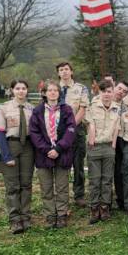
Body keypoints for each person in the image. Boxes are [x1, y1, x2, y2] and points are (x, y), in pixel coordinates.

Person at [29, 80, 76, 229]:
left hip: (62, 153)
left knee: (62, 187)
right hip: (43, 154)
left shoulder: (67, 110)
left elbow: (71, 129)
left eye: (56, 90)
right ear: (44, 93)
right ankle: (50, 215)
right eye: (50, 90)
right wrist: (46, 149)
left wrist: (59, 148)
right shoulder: (37, 111)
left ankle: (62, 214)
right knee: (46, 187)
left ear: (59, 93)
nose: (53, 92)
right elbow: (34, 132)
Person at [0, 80, 34, 234]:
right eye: (18, 88)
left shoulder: (32, 109)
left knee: (26, 184)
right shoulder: (3, 108)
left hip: (28, 148)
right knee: (12, 186)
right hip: (11, 146)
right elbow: (0, 133)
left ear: (27, 90)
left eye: (23, 88)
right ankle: (15, 220)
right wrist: (6, 155)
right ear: (12, 90)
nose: (21, 91)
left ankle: (26, 217)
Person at [86, 80, 120, 224]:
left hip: (109, 147)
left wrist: (113, 144)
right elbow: (90, 124)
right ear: (99, 92)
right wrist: (91, 141)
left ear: (113, 93)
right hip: (95, 146)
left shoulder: (117, 108)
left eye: (109, 91)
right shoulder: (92, 107)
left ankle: (105, 206)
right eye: (104, 91)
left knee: (107, 179)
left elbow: (117, 128)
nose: (106, 94)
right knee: (95, 180)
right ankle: (94, 208)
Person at [57, 61, 89, 208]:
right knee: (61, 165)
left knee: (78, 164)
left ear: (71, 71)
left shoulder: (81, 88)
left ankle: (79, 195)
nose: (64, 72)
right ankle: (61, 195)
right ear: (58, 73)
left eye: (66, 69)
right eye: (61, 70)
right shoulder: (53, 88)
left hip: (77, 130)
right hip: (57, 132)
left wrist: (71, 128)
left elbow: (82, 109)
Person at [112, 80, 128, 211]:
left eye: (124, 91)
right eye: (119, 88)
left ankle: (121, 199)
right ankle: (104, 201)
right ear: (114, 87)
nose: (121, 92)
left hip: (120, 140)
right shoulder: (100, 101)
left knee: (119, 171)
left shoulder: (126, 108)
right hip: (104, 140)